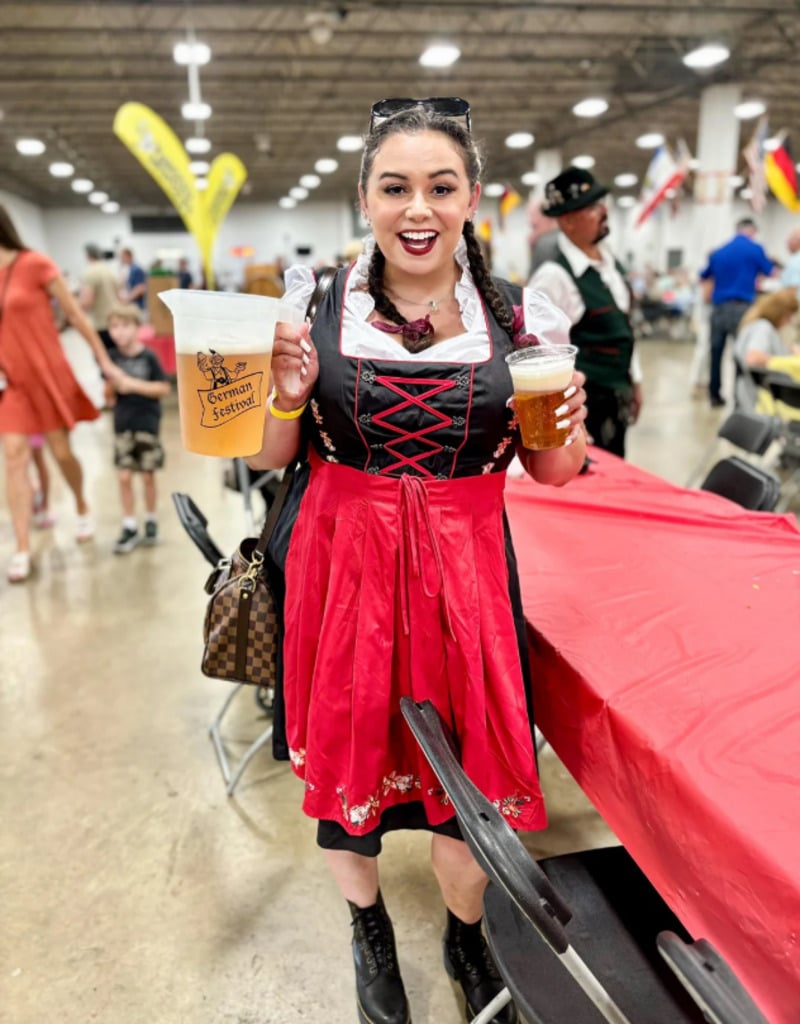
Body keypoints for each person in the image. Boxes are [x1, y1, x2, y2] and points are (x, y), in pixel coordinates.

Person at [247, 97, 588, 1024]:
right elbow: (270, 458)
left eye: (441, 186)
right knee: (345, 778)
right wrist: (282, 397)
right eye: (395, 187)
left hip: (469, 576)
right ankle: (367, 930)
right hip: (343, 569)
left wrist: (570, 411)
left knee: (464, 789)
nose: (418, 209)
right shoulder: (314, 306)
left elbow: (556, 472)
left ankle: (466, 933)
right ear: (365, 198)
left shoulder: (520, 316)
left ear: (471, 196)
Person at [0, 205, 121, 582]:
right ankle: (22, 546)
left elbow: (76, 315)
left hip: (49, 377)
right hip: (13, 383)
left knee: (62, 452)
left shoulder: (34, 263)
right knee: (15, 457)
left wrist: (105, 363)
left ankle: (82, 504)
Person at [528, 166, 643, 458]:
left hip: (616, 397)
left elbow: (623, 327)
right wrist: (565, 419)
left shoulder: (611, 264)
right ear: (568, 221)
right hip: (585, 408)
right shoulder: (554, 276)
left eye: (601, 204)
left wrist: (635, 381)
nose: (603, 212)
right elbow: (537, 352)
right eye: (592, 207)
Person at [104, 304, 170, 553]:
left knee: (147, 474)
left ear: (136, 327)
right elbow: (109, 395)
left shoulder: (148, 357)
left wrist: (131, 384)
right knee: (123, 476)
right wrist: (111, 388)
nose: (118, 332)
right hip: (122, 424)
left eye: (124, 326)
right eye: (113, 327)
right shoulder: (112, 358)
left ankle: (151, 519)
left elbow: (162, 388)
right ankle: (129, 523)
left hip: (147, 424)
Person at [699, 218, 774, 408]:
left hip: (718, 309)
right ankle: (739, 400)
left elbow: (704, 276)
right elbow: (769, 271)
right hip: (742, 309)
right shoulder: (755, 249)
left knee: (715, 353)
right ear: (751, 230)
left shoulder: (719, 252)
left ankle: (714, 395)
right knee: (742, 354)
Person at [733, 288, 800, 412]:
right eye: (788, 316)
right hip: (760, 401)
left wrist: (790, 351)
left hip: (749, 396)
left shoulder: (755, 325)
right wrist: (786, 361)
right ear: (779, 313)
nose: (788, 322)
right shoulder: (763, 328)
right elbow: (753, 357)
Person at [80, 243, 121, 351]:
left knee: (105, 358)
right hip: (115, 320)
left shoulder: (90, 272)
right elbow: (120, 296)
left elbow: (87, 301)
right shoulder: (110, 271)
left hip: (101, 323)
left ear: (88, 256)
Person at [119, 247, 147, 311]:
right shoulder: (126, 269)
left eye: (123, 257)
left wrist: (127, 300)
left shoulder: (136, 270)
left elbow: (140, 288)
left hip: (136, 305)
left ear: (129, 256)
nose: (121, 260)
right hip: (129, 303)